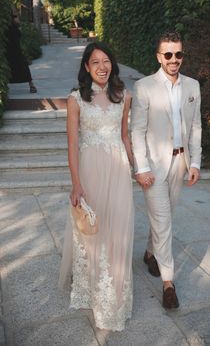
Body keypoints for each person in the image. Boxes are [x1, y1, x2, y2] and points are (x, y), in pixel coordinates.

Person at [58, 42, 134, 331]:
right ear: (87, 67)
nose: (102, 67)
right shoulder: (76, 99)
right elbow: (73, 143)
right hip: (89, 169)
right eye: (95, 62)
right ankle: (91, 288)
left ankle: (115, 293)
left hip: (117, 170)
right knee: (92, 229)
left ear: (112, 64)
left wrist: (136, 168)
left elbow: (125, 136)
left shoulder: (124, 96)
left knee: (118, 227)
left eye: (106, 61)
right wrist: (76, 184)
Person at [131, 31, 202, 309]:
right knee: (163, 222)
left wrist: (194, 162)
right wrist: (142, 167)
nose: (174, 60)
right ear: (159, 57)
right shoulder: (144, 86)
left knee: (165, 216)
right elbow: (137, 130)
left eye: (178, 54)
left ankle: (150, 253)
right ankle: (168, 284)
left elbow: (195, 127)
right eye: (168, 54)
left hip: (180, 163)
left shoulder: (193, 86)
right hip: (154, 167)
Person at [6, 12, 37, 93]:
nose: (18, 19)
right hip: (11, 52)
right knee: (19, 68)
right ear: (12, 19)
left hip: (15, 51)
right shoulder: (10, 28)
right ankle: (31, 85)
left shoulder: (14, 27)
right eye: (16, 18)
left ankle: (31, 85)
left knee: (23, 68)